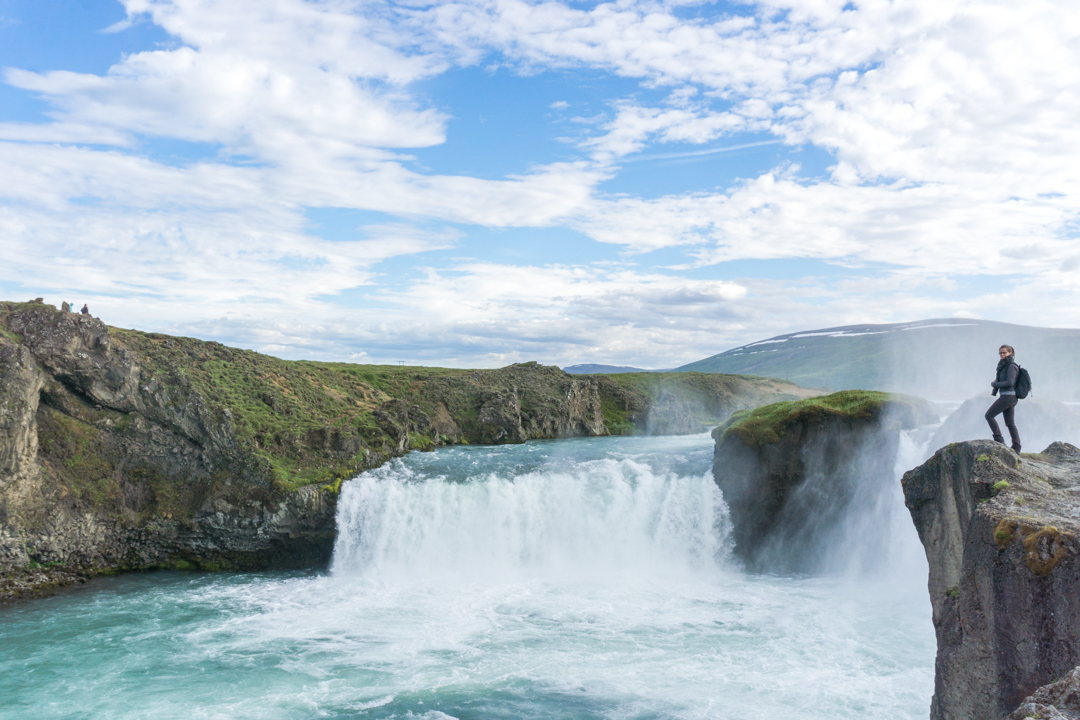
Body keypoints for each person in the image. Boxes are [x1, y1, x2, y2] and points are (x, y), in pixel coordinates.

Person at [986, 344, 1021, 452]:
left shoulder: (1011, 366)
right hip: (1009, 397)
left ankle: (999, 440)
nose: (1002, 355)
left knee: (989, 415)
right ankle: (1016, 447)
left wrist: (995, 384)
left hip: (1008, 397)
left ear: (1010, 353)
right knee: (1010, 423)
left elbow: (1010, 383)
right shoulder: (1003, 365)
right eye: (1000, 353)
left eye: (1004, 353)